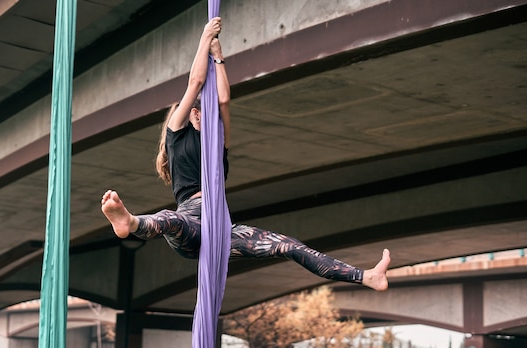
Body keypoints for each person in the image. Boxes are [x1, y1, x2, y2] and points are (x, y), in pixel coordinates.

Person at [101, 17, 390, 291]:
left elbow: (224, 100)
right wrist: (204, 39)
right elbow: (195, 84)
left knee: (288, 246)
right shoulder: (176, 135)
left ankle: (366, 276)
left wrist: (219, 57)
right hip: (190, 225)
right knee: (170, 219)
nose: (200, 113)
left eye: (204, 110)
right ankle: (131, 222)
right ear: (188, 114)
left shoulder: (218, 144)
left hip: (222, 232)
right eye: (195, 110)